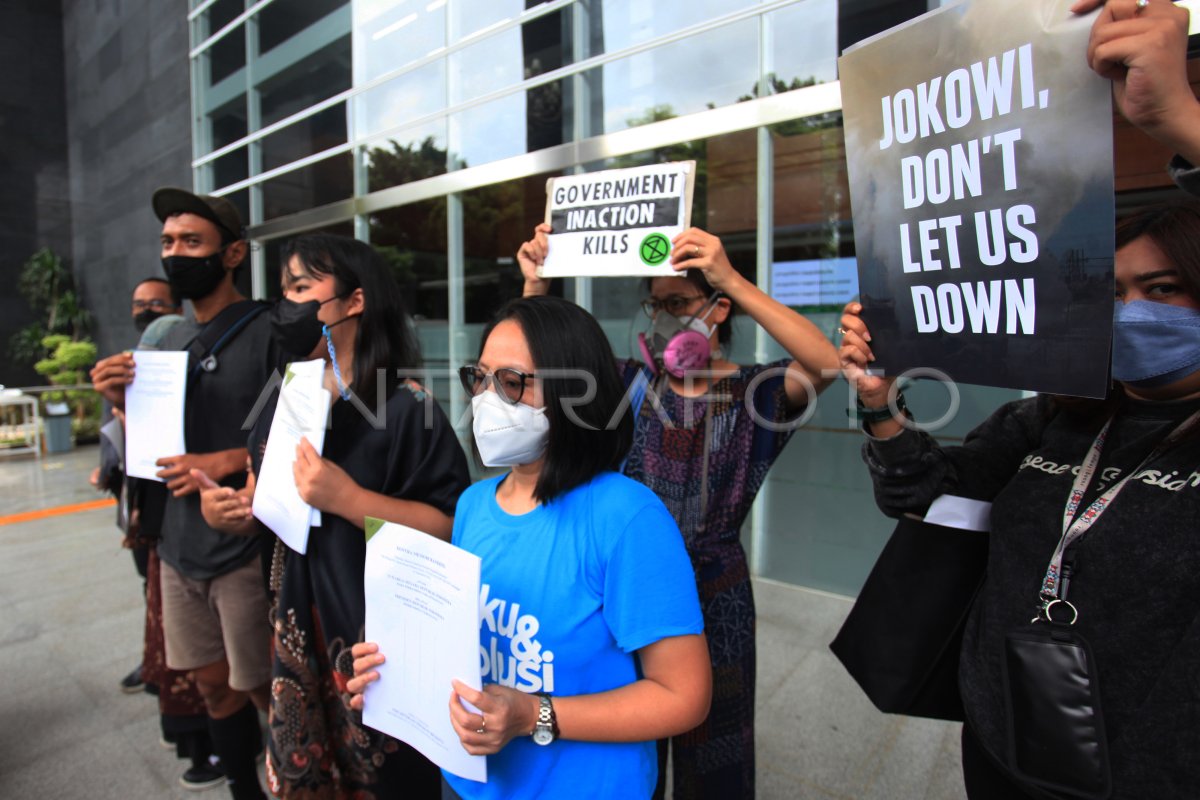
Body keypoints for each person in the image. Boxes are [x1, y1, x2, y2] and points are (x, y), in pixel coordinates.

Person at [841, 196, 1200, 796]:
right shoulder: (1048, 418)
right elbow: (926, 497)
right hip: (1003, 733)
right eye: (1114, 295)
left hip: (1152, 770)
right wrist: (880, 406)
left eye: (1161, 289)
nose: (1131, 312)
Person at [515, 225, 839, 798]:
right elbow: (541, 358)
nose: (664, 317)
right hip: (628, 589)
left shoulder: (755, 394)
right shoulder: (628, 384)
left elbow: (825, 363)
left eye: (680, 303)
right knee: (625, 732)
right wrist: (536, 285)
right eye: (656, 304)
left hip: (717, 596)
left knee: (717, 751)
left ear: (716, 311)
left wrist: (732, 279)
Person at [347, 295, 712, 800]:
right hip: (469, 783)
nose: (487, 400)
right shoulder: (474, 504)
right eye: (480, 377)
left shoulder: (625, 518)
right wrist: (393, 664)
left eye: (513, 383)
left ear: (573, 395)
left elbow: (683, 696)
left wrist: (534, 715)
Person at [196, 233, 472, 799]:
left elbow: (448, 525)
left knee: (387, 776)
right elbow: (269, 499)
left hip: (377, 640)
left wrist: (349, 500)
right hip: (296, 623)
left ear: (355, 301)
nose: (287, 306)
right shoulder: (285, 396)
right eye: (283, 292)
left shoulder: (407, 407)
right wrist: (233, 509)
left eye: (302, 288)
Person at [91, 187, 281, 800]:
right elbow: (152, 446)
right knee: (211, 684)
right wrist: (118, 398)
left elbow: (302, 429)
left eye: (191, 242)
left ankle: (293, 782)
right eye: (168, 243)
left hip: (243, 543)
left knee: (262, 687)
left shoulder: (273, 331)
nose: (176, 254)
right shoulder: (163, 343)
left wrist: (224, 459)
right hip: (177, 545)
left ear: (232, 254)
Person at [92, 276, 183, 695]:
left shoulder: (183, 366)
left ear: (177, 312)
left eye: (157, 305)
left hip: (175, 500)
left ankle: (174, 672)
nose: (146, 312)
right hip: (138, 501)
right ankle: (155, 661)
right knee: (151, 587)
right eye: (139, 304)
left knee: (172, 591)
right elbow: (114, 430)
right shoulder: (130, 364)